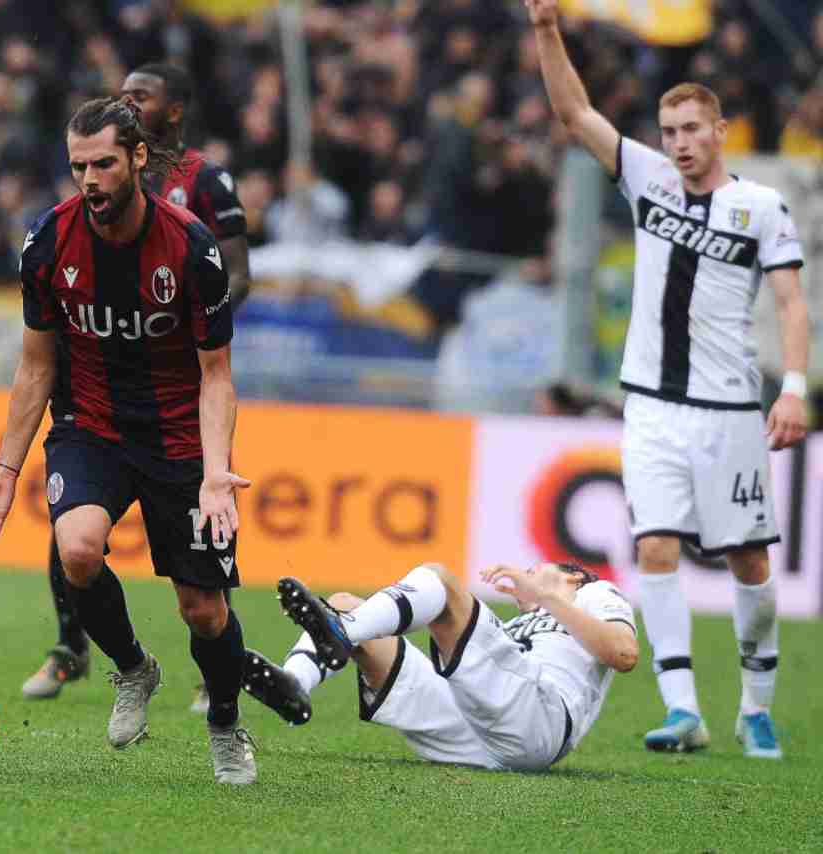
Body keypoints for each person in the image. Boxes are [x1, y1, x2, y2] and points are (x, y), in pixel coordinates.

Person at [526, 0, 808, 758]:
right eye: (670, 130)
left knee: (749, 560)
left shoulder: (760, 208)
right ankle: (683, 709)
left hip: (727, 411)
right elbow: (573, 110)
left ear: (719, 133)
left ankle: (756, 703)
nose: (679, 143)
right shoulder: (644, 178)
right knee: (655, 547)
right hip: (650, 405)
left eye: (692, 130)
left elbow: (789, 301)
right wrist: (548, 31)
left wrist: (795, 388)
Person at [0, 97, 256, 784]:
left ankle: (226, 722)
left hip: (178, 437)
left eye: (103, 164)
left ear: (138, 158)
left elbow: (216, 377)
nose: (89, 180)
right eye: (77, 166)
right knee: (79, 549)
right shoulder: (48, 242)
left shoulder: (191, 248)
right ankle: (132, 669)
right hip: (89, 426)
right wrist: (5, 465)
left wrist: (214, 472)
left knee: (203, 610)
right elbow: (35, 365)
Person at [21, 62, 250, 717]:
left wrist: (186, 325)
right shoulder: (68, 216)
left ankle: (220, 697)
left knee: (201, 602)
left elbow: (237, 275)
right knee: (77, 540)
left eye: (141, 97)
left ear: (167, 116)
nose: (128, 101)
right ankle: (78, 649)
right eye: (122, 94)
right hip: (95, 396)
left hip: (182, 391)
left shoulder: (202, 186)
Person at [242, 563, 638, 771]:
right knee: (346, 602)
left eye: (534, 569)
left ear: (572, 575)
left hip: (539, 719)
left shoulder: (595, 593)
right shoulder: (517, 626)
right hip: (475, 731)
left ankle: (340, 634)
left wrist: (548, 599)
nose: (525, 577)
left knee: (442, 582)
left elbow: (623, 654)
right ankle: (295, 683)